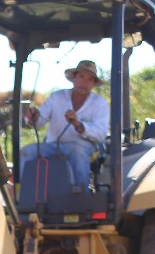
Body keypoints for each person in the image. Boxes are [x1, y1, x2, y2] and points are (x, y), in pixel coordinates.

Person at [21, 59, 109, 191]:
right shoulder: (56, 97)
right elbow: (40, 120)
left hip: (84, 147)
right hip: (53, 145)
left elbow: (101, 134)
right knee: (26, 152)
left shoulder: (100, 104)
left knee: (77, 150)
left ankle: (82, 197)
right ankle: (24, 195)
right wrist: (34, 116)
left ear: (93, 83)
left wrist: (79, 125)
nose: (84, 82)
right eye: (81, 76)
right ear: (73, 78)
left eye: (90, 79)